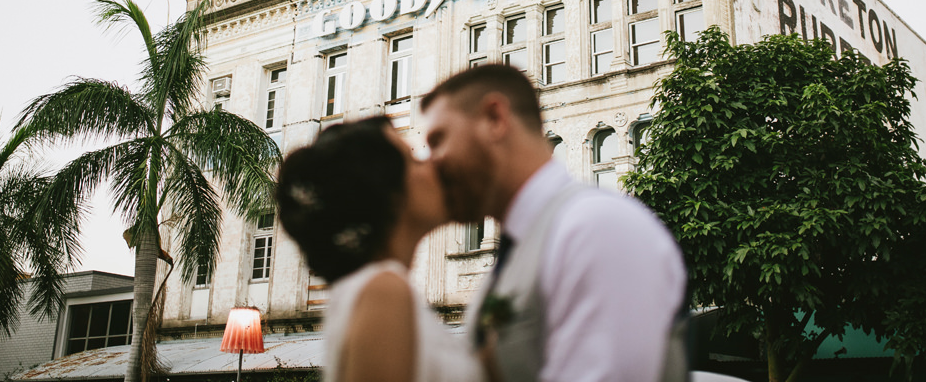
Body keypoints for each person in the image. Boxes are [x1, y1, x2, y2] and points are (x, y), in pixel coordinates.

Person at [421, 64, 689, 382]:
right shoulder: (517, 253)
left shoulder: (597, 228)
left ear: (495, 118)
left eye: (439, 140)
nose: (431, 162)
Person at [276, 116, 484, 382]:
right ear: (389, 196)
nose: (432, 164)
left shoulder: (369, 288)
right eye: (414, 160)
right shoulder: (384, 291)